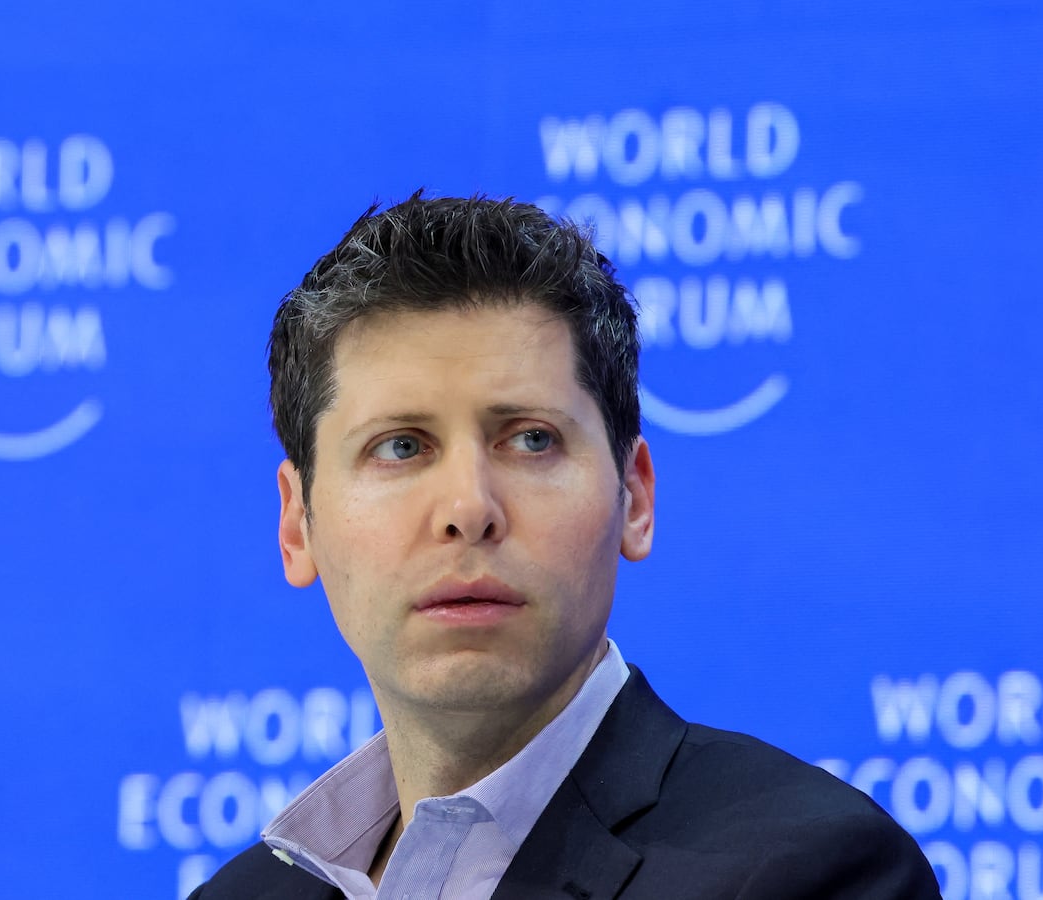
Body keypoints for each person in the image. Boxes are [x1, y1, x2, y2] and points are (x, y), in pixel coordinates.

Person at [191, 194, 940, 899]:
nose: (468, 509)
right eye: (400, 447)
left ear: (635, 498)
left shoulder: (808, 873)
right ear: (298, 525)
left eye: (531, 439)